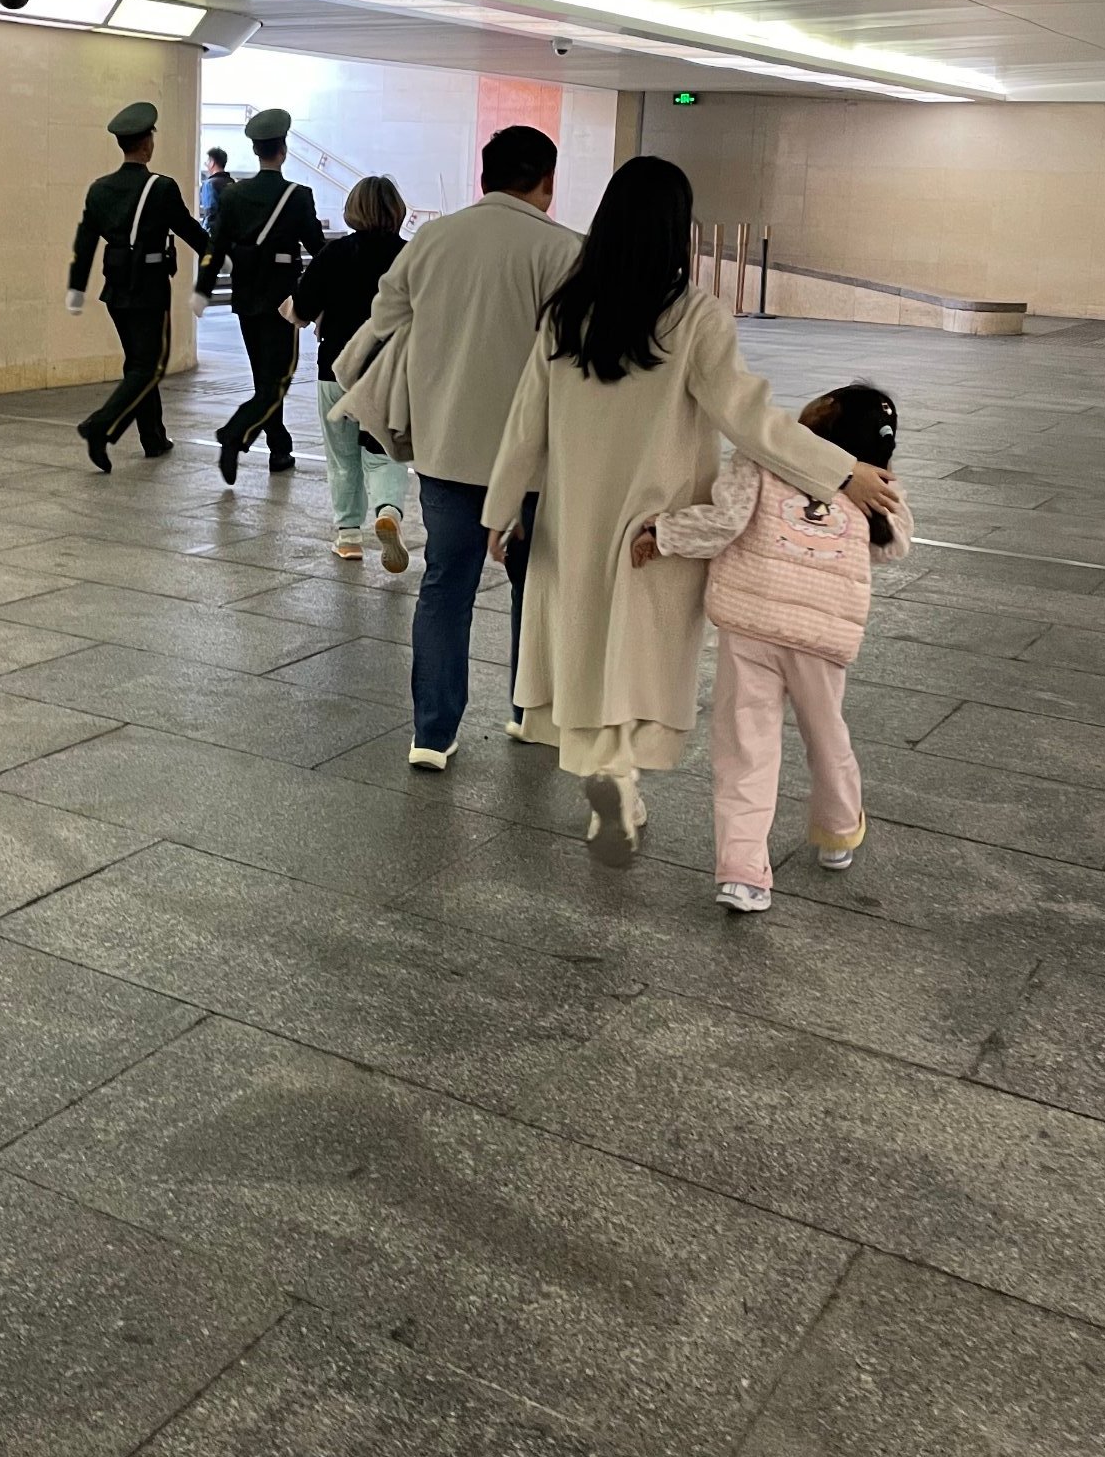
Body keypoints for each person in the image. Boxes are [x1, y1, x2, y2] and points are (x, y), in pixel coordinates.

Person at [482, 157, 898, 863]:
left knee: (584, 647)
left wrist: (500, 510)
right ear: (678, 229)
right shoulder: (695, 316)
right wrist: (841, 471)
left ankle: (605, 774)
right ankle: (623, 774)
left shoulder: (567, 312)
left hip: (573, 518)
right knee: (642, 656)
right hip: (660, 527)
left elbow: (528, 422)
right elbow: (751, 420)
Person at [633, 382, 911, 912]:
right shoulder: (872, 485)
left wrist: (662, 531)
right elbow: (893, 546)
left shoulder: (759, 458)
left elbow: (723, 523)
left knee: (745, 746)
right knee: (827, 736)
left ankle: (743, 875)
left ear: (817, 416)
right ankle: (838, 831)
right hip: (821, 639)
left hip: (751, 627)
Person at [351, 124, 579, 771]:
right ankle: (528, 713)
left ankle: (432, 732)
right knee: (534, 584)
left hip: (448, 448)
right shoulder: (565, 249)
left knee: (445, 585)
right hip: (534, 461)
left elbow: (386, 318)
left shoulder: (432, 239)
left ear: (484, 176)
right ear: (547, 181)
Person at [65, 100, 209, 473]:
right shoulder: (161, 188)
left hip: (116, 289)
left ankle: (154, 437)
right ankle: (100, 426)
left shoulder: (99, 189)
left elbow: (85, 242)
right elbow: (189, 230)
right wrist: (220, 256)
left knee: (139, 363)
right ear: (147, 145)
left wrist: (76, 287)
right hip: (149, 289)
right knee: (150, 365)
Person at [194, 107, 324, 483]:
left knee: (264, 379)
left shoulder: (234, 195)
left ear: (255, 150)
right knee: (278, 379)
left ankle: (280, 447)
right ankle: (235, 433)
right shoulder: (297, 196)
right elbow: (318, 248)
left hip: (246, 297)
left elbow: (216, 245)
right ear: (283, 150)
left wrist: (202, 290)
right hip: (283, 301)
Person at [291, 175, 412, 569]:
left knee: (342, 457)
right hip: (390, 374)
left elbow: (303, 305)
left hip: (336, 369)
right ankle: (388, 512)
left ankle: (348, 537)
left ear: (353, 210)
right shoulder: (410, 256)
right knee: (386, 452)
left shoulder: (335, 253)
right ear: (397, 210)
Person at [199, 146, 232, 228]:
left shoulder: (209, 184)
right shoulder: (232, 182)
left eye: (207, 161)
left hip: (215, 231)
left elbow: (210, 213)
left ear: (212, 162)